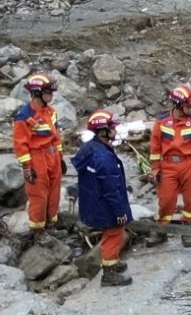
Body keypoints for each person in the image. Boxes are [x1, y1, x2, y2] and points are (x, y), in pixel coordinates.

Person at [74, 110, 133, 287]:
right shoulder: (104, 157)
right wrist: (120, 211)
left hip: (94, 202)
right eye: (112, 128)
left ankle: (112, 261)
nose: (115, 130)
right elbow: (110, 189)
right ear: (103, 131)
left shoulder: (90, 148)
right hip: (105, 205)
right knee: (114, 235)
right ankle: (109, 274)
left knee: (111, 235)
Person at [151, 84, 191, 247]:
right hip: (167, 166)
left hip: (189, 165)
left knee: (190, 201)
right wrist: (155, 168)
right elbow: (155, 148)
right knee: (166, 201)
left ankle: (187, 231)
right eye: (188, 105)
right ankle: (162, 231)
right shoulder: (161, 122)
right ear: (177, 104)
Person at [13, 74, 65, 237]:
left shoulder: (51, 112)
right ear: (36, 93)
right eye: (48, 91)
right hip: (37, 159)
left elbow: (56, 136)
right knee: (38, 195)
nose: (51, 95)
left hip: (53, 156)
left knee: (54, 192)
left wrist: (61, 158)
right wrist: (27, 168)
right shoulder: (24, 116)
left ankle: (50, 225)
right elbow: (20, 145)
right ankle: (38, 231)